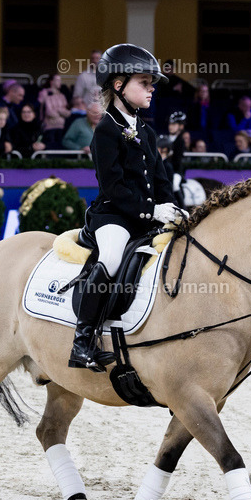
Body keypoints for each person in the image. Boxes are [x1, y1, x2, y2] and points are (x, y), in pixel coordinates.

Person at [71, 43, 183, 372]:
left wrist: (174, 210)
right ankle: (82, 339)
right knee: (110, 257)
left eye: (152, 84)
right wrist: (152, 212)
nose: (151, 90)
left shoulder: (146, 131)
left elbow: (162, 180)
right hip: (114, 217)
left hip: (146, 218)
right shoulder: (105, 130)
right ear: (118, 85)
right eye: (144, 83)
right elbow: (114, 188)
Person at [38, 73, 71, 147]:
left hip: (61, 126)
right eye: (57, 80)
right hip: (49, 126)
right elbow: (49, 112)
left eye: (60, 80)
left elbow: (67, 113)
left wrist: (57, 110)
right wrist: (60, 111)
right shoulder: (44, 93)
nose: (59, 82)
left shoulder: (62, 95)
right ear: (51, 81)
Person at [157, 111, 188, 175]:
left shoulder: (180, 141)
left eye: (174, 124)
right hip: (163, 169)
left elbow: (177, 160)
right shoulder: (164, 138)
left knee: (176, 183)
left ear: (181, 126)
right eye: (170, 124)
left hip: (175, 172)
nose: (170, 126)